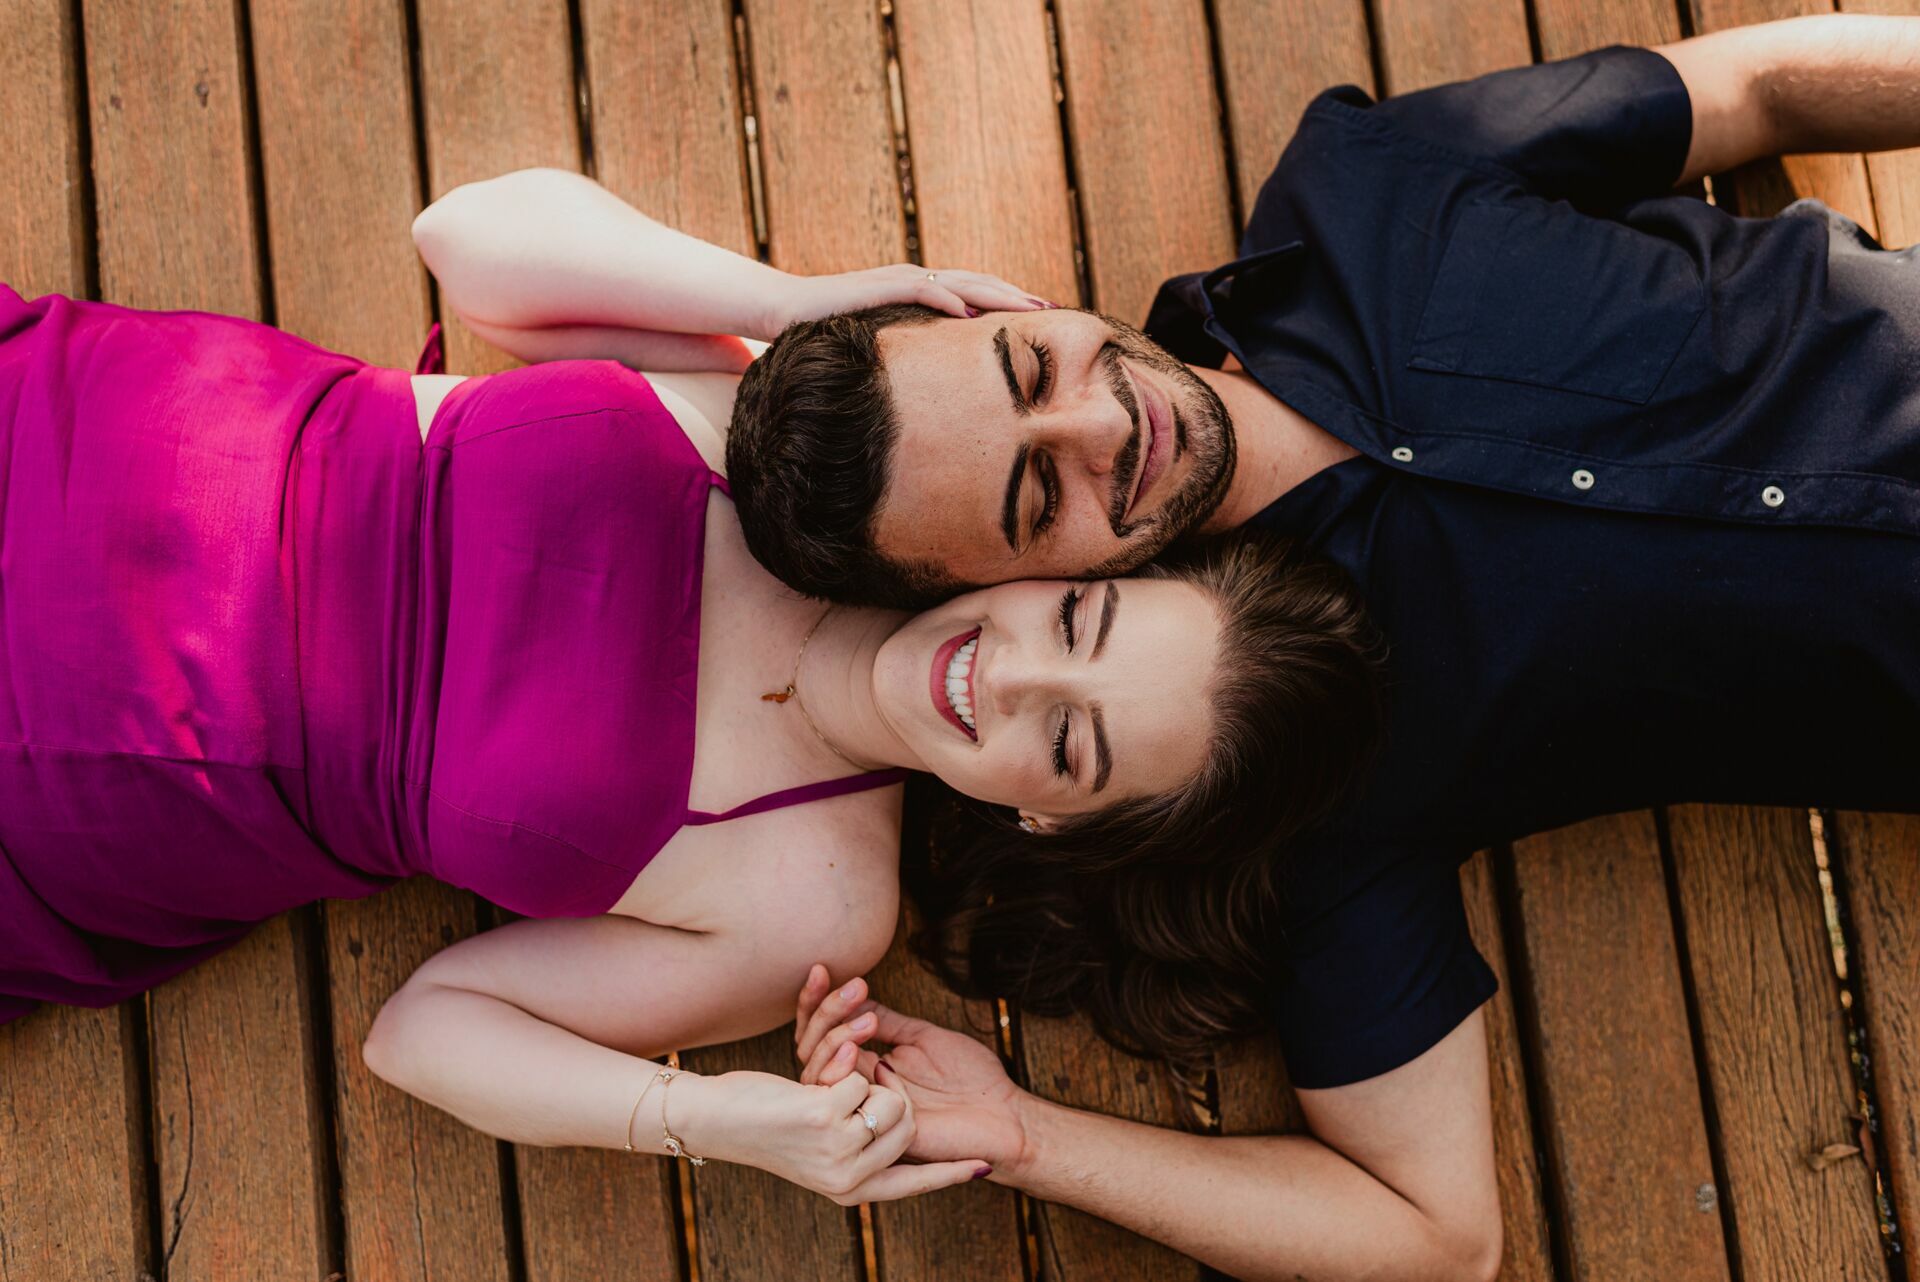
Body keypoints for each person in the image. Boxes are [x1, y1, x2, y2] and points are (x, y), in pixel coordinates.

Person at [448, 14, 1920, 1282]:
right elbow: (1432, 1233)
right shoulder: (1297, 748)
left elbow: (1759, 90)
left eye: (1035, 370)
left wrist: (776, 309)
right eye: (1041, 503)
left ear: (1002, 307)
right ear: (975, 588)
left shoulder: (1367, 189)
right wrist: (1027, 1135)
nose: (1103, 426)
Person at [0, 237, 1384, 1204]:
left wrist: (713, 1120)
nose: (1008, 679)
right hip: (140, 443)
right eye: (1075, 625)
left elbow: (421, 1032)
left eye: (1071, 743)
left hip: (123, 768)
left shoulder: (816, 899)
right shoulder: (806, 447)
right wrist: (815, 304)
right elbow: (470, 240)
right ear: (1067, 575)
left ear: (1054, 815)